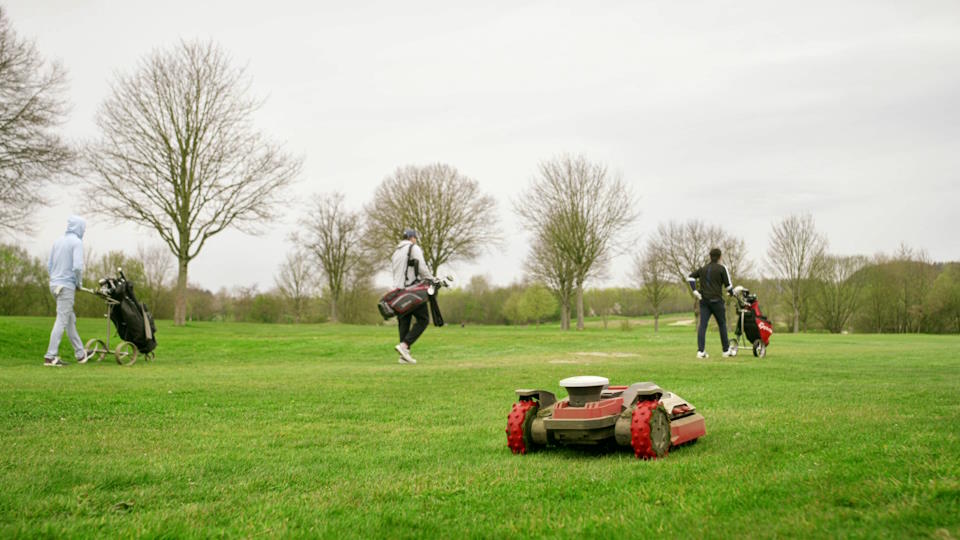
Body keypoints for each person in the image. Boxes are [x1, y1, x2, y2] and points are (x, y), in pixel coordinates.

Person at [44, 216, 92, 367]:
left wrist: (55, 279)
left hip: (54, 285)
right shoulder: (77, 243)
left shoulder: (58, 241)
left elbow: (49, 265)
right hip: (66, 286)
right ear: (78, 228)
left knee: (69, 319)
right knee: (62, 320)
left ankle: (80, 354)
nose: (83, 231)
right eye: (83, 228)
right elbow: (77, 267)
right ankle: (50, 356)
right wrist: (78, 283)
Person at [687, 247, 741, 359]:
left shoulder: (703, 269)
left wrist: (695, 291)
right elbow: (729, 286)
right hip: (717, 301)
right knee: (722, 325)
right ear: (720, 257)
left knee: (702, 326)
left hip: (704, 301)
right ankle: (726, 351)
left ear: (710, 257)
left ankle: (700, 351)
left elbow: (690, 277)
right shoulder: (722, 268)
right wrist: (731, 293)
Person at [391, 228, 434, 364]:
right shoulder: (413, 248)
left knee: (404, 321)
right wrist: (431, 279)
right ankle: (404, 346)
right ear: (412, 238)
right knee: (423, 319)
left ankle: (404, 356)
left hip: (398, 292)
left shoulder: (396, 252)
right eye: (415, 237)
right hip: (411, 291)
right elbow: (421, 266)